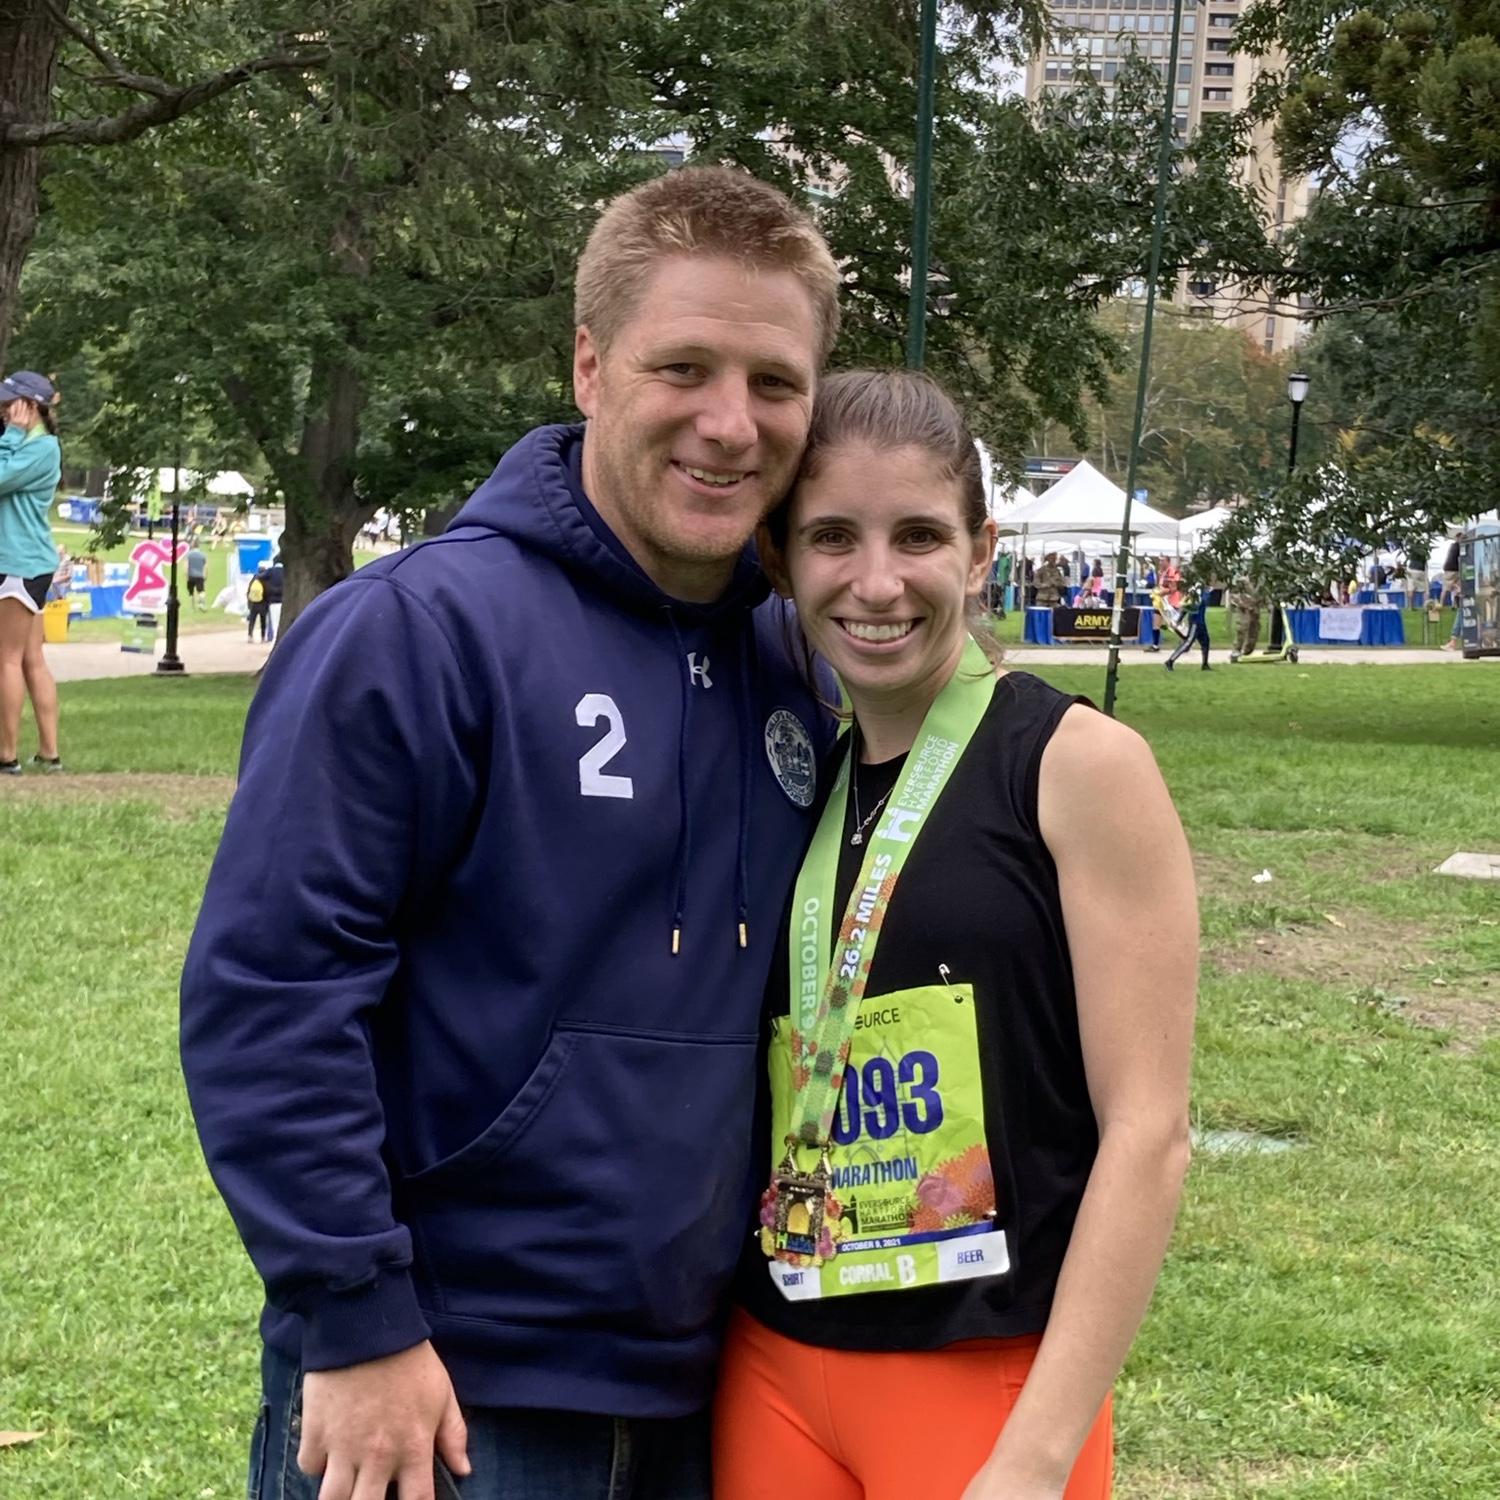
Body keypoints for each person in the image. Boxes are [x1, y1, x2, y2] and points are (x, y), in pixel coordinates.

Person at [180, 165, 840, 1500]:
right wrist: (357, 1317)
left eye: (775, 383)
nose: (731, 424)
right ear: (590, 366)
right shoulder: (416, 634)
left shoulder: (810, 665)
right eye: (685, 369)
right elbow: (273, 995)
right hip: (441, 1386)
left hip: (708, 1386)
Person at [713, 370, 1196, 1500]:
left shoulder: (1078, 766)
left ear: (980, 552)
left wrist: (1034, 1456)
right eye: (833, 536)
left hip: (986, 1384)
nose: (876, 581)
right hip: (773, 1368)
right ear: (780, 560)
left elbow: (1150, 1134)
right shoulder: (800, 782)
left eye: (918, 535)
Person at [0, 371, 64, 775]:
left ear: (30, 406)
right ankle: (49, 751)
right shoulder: (36, 445)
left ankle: (5, 755)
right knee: (30, 659)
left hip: (16, 563)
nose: (5, 410)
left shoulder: (38, 448)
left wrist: (9, 435)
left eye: (10, 403)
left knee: (6, 659)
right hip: (30, 562)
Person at [1164, 584, 1211, 671]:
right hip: (1195, 622)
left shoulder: (1204, 591)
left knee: (1206, 642)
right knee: (1187, 643)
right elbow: (1187, 606)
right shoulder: (1196, 592)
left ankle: (1205, 664)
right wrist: (1179, 620)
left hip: (1201, 622)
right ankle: (1170, 661)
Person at [1229, 580, 1260, 661]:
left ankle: (1247, 650)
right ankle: (1237, 650)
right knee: (1242, 629)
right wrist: (1244, 605)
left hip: (1254, 611)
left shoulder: (1258, 583)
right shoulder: (1239, 584)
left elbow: (1258, 596)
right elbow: (1235, 598)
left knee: (1253, 631)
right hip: (1243, 611)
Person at [244, 562, 271, 642]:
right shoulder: (266, 580)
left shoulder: (254, 579)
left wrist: (249, 603)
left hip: (253, 603)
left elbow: (249, 591)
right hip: (263, 603)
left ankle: (250, 636)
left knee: (252, 620)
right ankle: (263, 637)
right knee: (263, 621)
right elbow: (267, 592)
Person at [262, 553, 285, 640]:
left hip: (273, 600)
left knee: (274, 622)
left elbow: (260, 576)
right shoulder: (286, 571)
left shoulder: (271, 571)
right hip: (284, 600)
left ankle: (274, 639)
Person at [185, 542, 208, 609]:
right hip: (200, 576)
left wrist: (186, 575)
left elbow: (186, 566)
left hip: (191, 575)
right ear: (199, 546)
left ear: (192, 546)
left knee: (191, 592)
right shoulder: (203, 555)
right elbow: (206, 566)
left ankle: (192, 607)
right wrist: (206, 575)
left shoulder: (189, 554)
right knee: (201, 591)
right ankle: (201, 604)